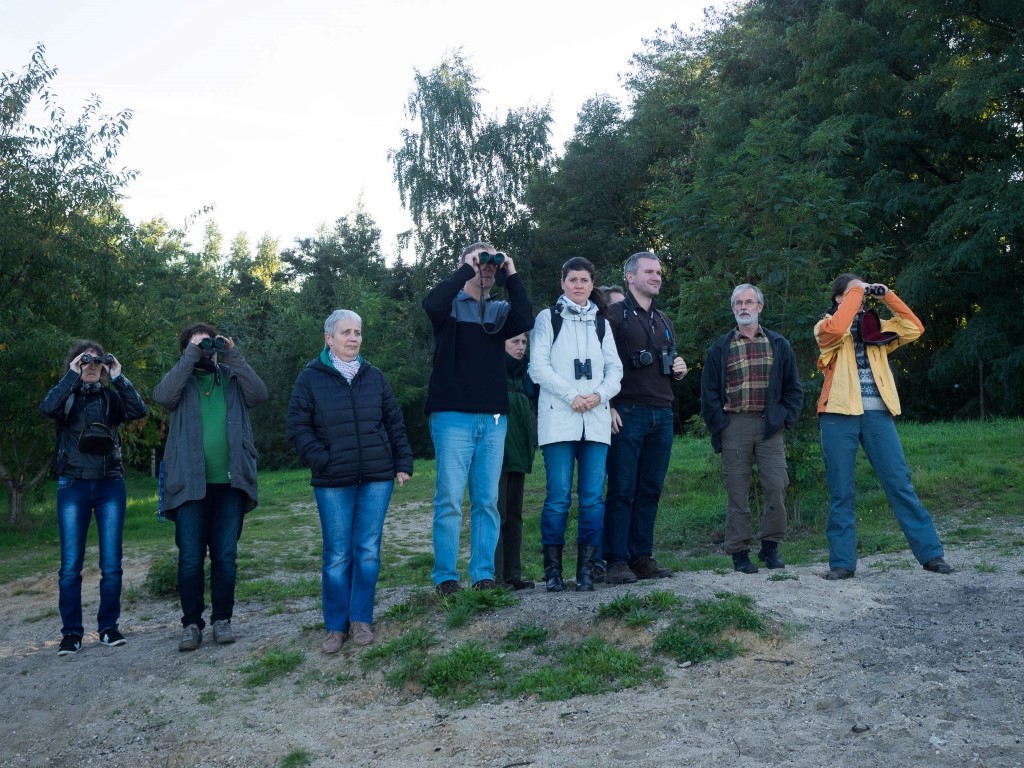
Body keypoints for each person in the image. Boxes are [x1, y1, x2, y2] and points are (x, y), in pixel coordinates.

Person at [288, 310, 413, 653]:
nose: (353, 338)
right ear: (328, 338)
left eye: (357, 331)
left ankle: (361, 620)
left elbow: (394, 422)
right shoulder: (310, 377)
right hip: (332, 481)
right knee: (338, 555)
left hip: (376, 477)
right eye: (346, 332)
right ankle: (334, 627)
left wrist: (401, 462)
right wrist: (323, 459)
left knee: (368, 551)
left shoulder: (374, 376)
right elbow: (298, 426)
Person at [814, 274, 952, 580]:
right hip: (837, 415)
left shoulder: (875, 328)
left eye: (863, 293)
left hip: (877, 416)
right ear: (840, 297)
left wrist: (886, 295)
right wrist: (855, 291)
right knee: (841, 491)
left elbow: (914, 328)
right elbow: (838, 327)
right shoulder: (824, 327)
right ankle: (842, 564)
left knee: (899, 483)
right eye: (853, 293)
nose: (861, 296)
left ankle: (931, 555)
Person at [422, 241, 534, 594]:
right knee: (450, 499)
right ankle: (445, 577)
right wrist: (467, 269)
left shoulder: (500, 311)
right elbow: (432, 304)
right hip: (453, 415)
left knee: (487, 501)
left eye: (491, 264)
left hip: (493, 417)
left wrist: (510, 270)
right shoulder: (451, 306)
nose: (487, 268)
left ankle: (484, 574)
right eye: (481, 262)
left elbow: (524, 318)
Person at [153, 324, 267, 651]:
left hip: (231, 481)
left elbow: (259, 394)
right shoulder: (181, 382)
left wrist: (232, 353)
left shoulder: (231, 377)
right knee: (190, 558)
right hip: (189, 484)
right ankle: (191, 624)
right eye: (199, 344)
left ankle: (222, 620)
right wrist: (191, 353)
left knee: (225, 556)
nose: (207, 349)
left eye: (210, 344)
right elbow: (162, 397)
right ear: (186, 350)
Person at [40, 341, 147, 656]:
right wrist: (71, 377)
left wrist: (119, 376)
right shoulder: (66, 397)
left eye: (96, 362)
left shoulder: (110, 397)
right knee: (70, 567)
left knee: (112, 565)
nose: (91, 365)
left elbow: (139, 410)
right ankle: (71, 633)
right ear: (75, 363)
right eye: (84, 361)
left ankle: (108, 628)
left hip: (110, 485)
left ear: (103, 366)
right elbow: (46, 408)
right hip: (73, 485)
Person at [530, 257, 623, 592]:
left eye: (585, 280)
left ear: (592, 284)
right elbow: (538, 367)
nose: (579, 286)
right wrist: (572, 395)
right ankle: (553, 572)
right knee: (557, 497)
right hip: (559, 419)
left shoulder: (601, 322)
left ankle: (586, 570)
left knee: (592, 498)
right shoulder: (547, 319)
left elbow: (615, 370)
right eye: (573, 280)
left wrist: (598, 396)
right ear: (562, 283)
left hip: (595, 421)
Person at [700, 284, 804, 574]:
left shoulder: (778, 343)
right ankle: (740, 552)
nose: (743, 307)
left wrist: (784, 419)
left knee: (776, 485)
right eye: (738, 303)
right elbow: (708, 394)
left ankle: (770, 547)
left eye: (749, 302)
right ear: (733, 308)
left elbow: (793, 389)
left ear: (760, 307)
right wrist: (719, 425)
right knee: (737, 492)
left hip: (769, 426)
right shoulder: (721, 347)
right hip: (734, 425)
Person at [603, 252, 687, 583]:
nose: (656, 276)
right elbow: (600, 363)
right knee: (622, 488)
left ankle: (642, 556)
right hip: (626, 411)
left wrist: (678, 369)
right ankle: (616, 560)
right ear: (630, 277)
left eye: (659, 272)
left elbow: (666, 361)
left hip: (662, 412)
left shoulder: (664, 319)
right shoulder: (613, 315)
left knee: (650, 488)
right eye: (649, 271)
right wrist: (607, 405)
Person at [495, 332, 538, 590]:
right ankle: (495, 577)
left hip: (519, 453)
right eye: (514, 342)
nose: (520, 347)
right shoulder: (492, 371)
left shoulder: (526, 375)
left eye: (524, 342)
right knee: (496, 514)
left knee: (514, 515)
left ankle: (513, 575)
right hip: (497, 455)